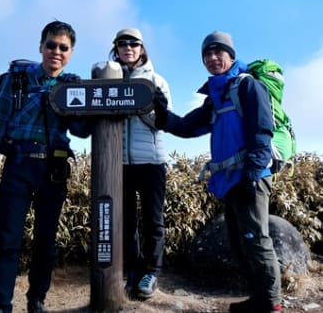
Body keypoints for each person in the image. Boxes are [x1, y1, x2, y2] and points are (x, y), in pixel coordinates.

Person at [154, 31, 282, 313]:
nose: (212, 58)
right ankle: (259, 298)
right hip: (230, 178)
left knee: (257, 241)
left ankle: (272, 304)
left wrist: (252, 174)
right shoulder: (219, 95)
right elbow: (188, 127)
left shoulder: (248, 86)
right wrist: (161, 113)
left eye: (218, 52)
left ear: (231, 56)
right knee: (240, 243)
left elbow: (262, 131)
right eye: (207, 54)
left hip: (251, 177)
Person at [0, 20, 89, 313]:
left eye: (63, 47)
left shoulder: (72, 85)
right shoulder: (18, 77)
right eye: (51, 45)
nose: (56, 51)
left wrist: (83, 109)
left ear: (71, 52)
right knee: (8, 242)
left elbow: (81, 131)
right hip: (18, 164)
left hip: (53, 170)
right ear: (41, 46)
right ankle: (1, 306)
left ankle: (36, 300)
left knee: (46, 242)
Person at [109, 28, 172, 299]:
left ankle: (151, 272)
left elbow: (163, 124)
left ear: (142, 48)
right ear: (117, 49)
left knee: (152, 220)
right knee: (125, 221)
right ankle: (133, 271)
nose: (128, 48)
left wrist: (144, 104)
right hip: (120, 162)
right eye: (122, 44)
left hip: (151, 161)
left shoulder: (157, 81)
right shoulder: (108, 81)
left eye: (134, 43)